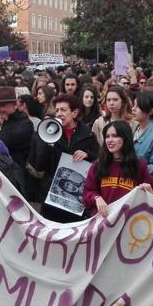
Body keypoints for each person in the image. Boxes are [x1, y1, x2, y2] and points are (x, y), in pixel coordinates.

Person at [29, 94, 99, 223]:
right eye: (57, 110)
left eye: (63, 110)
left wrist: (87, 155)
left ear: (74, 113)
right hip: (52, 200)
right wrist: (46, 142)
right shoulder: (49, 133)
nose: (59, 113)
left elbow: (98, 161)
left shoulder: (88, 135)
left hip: (77, 202)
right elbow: (39, 165)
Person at [83, 120, 153, 217]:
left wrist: (147, 190)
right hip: (102, 223)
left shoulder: (139, 165)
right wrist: (96, 198)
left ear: (126, 138)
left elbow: (151, 197)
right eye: (107, 136)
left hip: (128, 224)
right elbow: (87, 193)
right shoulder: (98, 164)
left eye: (115, 136)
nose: (109, 140)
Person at [0, 86, 33, 170]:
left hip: (16, 170)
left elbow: (5, 140)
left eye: (3, 105)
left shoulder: (25, 123)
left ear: (15, 105)